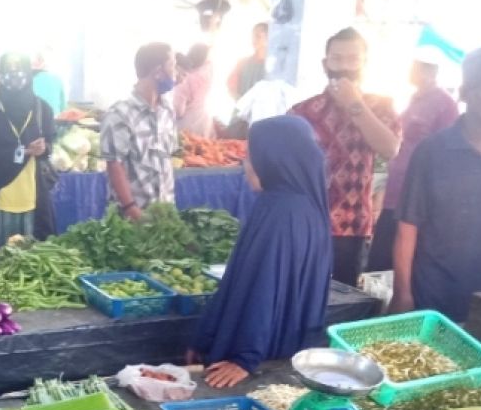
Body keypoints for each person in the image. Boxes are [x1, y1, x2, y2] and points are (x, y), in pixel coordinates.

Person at [390, 45, 481, 321]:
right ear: (466, 92)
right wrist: (403, 294)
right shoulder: (433, 151)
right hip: (432, 297)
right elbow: (408, 227)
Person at [191, 116, 333, 388]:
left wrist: (245, 357)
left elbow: (265, 288)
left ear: (273, 159)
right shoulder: (302, 203)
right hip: (281, 346)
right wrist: (205, 335)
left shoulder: (281, 212)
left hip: (262, 356)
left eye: (250, 155)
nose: (245, 164)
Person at [290, 27, 401, 286]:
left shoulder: (381, 106)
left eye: (353, 59)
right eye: (337, 59)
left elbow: (389, 149)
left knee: (344, 301)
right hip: (307, 223)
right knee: (300, 292)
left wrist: (355, 104)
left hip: (352, 227)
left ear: (365, 64)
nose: (344, 67)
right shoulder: (302, 111)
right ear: (325, 64)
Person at [366, 49, 459, 271]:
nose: (410, 72)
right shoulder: (414, 100)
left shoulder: (444, 104)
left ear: (428, 71)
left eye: (414, 67)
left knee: (400, 266)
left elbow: (447, 156)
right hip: (393, 196)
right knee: (378, 265)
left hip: (416, 202)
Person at [0, 52, 56, 258]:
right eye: (8, 73)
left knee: (34, 264)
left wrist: (44, 149)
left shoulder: (43, 110)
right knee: (0, 265)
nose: (14, 79)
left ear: (29, 75)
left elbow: (50, 146)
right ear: (1, 75)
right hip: (0, 203)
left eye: (19, 73)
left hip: (34, 201)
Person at [100, 42, 178, 219]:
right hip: (132, 216)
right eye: (172, 65)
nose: (176, 72)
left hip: (164, 214)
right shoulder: (119, 114)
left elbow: (167, 159)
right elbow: (114, 165)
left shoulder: (167, 111)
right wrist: (131, 208)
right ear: (158, 72)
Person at [172, 43, 214, 138]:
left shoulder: (183, 79)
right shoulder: (206, 77)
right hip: (203, 122)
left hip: (186, 127)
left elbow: (178, 111)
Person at [228, 22, 268, 101]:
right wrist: (241, 102)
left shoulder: (275, 69)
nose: (254, 40)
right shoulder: (242, 63)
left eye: (258, 36)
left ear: (268, 38)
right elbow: (231, 86)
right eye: (253, 36)